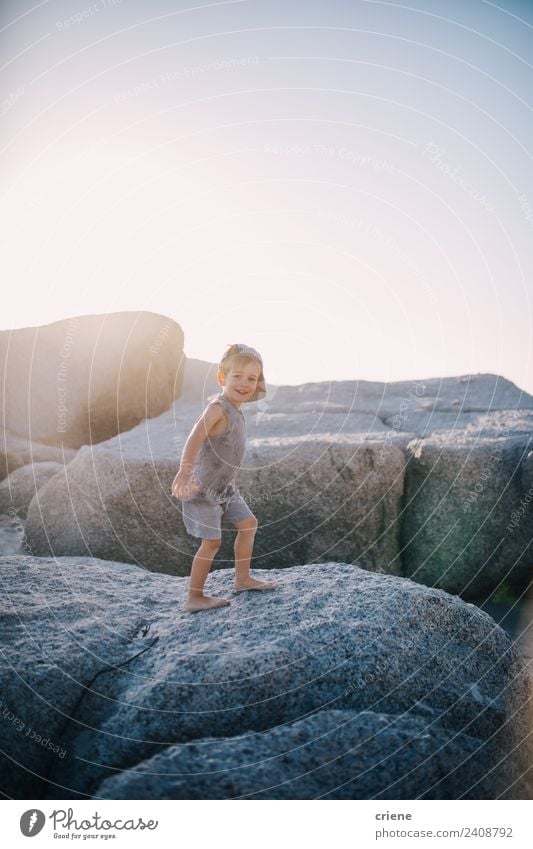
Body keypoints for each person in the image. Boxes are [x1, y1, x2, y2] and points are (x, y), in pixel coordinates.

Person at [172, 343, 276, 612]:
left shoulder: (236, 410)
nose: (244, 383)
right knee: (212, 542)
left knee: (249, 524)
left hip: (226, 490)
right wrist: (185, 468)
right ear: (222, 379)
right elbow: (195, 436)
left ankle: (242, 579)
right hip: (204, 490)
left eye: (251, 379)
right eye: (237, 376)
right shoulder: (217, 408)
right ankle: (194, 597)